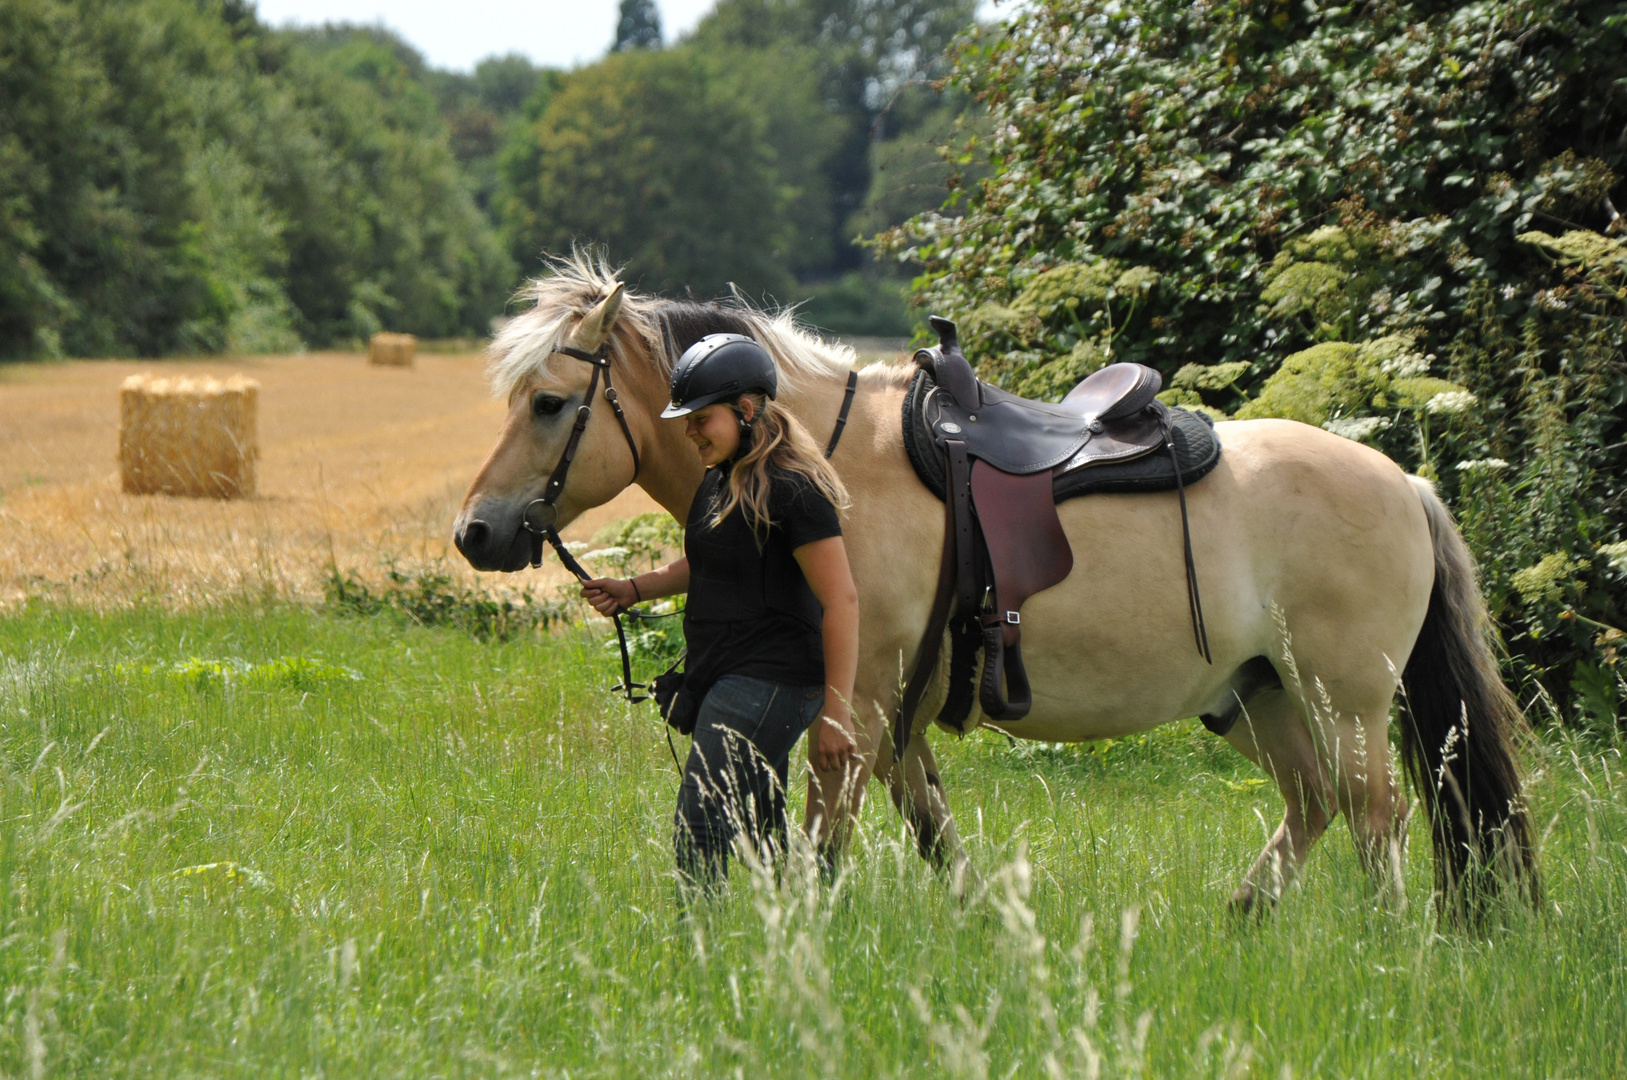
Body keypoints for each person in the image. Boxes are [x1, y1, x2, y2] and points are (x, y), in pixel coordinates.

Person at [580, 333, 860, 891]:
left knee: (700, 825)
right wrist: (636, 588)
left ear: (746, 410)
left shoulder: (795, 489)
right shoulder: (720, 479)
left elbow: (842, 600)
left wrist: (837, 712)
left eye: (700, 418)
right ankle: (798, 929)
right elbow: (709, 559)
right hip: (733, 671)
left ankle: (697, 956)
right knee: (759, 830)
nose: (688, 431)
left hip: (776, 677)